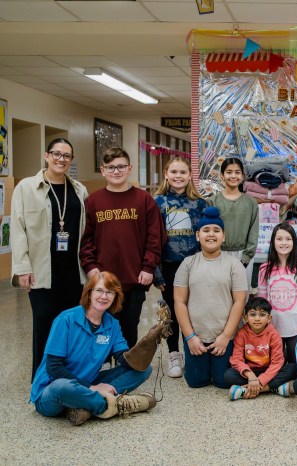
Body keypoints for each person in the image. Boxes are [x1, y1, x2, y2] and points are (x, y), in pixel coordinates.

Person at [30, 272, 157, 426]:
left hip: (86, 382)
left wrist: (147, 345)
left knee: (144, 370)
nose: (104, 296)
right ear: (89, 293)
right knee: (61, 386)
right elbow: (53, 368)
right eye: (99, 290)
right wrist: (93, 388)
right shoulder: (65, 320)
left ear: (115, 297)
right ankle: (116, 405)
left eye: (109, 292)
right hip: (51, 392)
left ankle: (85, 407)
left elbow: (124, 360)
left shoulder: (112, 324)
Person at [11, 138, 88, 378]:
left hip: (74, 271)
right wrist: (22, 267)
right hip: (42, 270)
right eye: (56, 153)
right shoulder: (26, 188)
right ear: (46, 156)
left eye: (66, 155)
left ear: (71, 160)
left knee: (71, 326)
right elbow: (18, 229)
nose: (61, 159)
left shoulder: (78, 189)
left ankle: (68, 379)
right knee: (44, 323)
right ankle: (41, 381)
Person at [79, 147, 166, 348]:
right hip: (102, 279)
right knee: (100, 326)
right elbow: (86, 239)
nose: (116, 171)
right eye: (110, 167)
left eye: (120, 167)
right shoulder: (93, 201)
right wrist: (90, 266)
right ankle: (103, 365)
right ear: (103, 170)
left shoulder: (144, 200)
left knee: (129, 328)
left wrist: (148, 267)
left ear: (130, 169)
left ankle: (126, 369)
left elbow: (155, 238)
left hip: (134, 279)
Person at [173, 207, 248, 388]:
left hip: (224, 337)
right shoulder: (187, 264)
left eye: (216, 230)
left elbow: (239, 302)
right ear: (198, 235)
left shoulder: (234, 265)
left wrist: (226, 336)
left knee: (224, 382)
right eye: (206, 231)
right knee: (196, 382)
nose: (211, 235)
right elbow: (179, 302)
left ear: (224, 236)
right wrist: (190, 337)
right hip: (196, 337)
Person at [153, 156, 208, 378]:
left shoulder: (201, 203)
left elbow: (208, 236)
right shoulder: (156, 202)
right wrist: (156, 274)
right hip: (168, 265)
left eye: (182, 172)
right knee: (173, 311)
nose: (178, 176)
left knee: (194, 310)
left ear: (189, 175)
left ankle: (192, 348)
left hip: (195, 265)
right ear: (166, 173)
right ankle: (174, 353)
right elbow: (152, 239)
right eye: (174, 172)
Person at [258, 222, 297, 364]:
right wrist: (263, 328)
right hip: (273, 328)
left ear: (294, 242)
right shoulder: (264, 269)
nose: (284, 243)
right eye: (279, 239)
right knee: (275, 365)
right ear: (273, 242)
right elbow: (261, 302)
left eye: (288, 239)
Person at [226, 297, 297, 400]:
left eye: (262, 315)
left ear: (269, 318)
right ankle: (274, 388)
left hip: (269, 371)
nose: (257, 318)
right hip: (250, 371)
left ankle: (253, 390)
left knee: (292, 369)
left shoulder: (274, 334)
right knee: (228, 375)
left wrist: (259, 381)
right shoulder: (241, 334)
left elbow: (277, 362)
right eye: (253, 314)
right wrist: (250, 376)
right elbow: (236, 359)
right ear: (245, 318)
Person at [208, 157, 259, 284]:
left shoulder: (251, 202)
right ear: (222, 175)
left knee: (241, 295)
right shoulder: (212, 202)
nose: (233, 176)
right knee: (220, 295)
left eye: (237, 172)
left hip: (243, 255)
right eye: (229, 172)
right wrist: (213, 254)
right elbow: (208, 232)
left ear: (242, 176)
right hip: (218, 254)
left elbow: (254, 231)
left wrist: (246, 258)